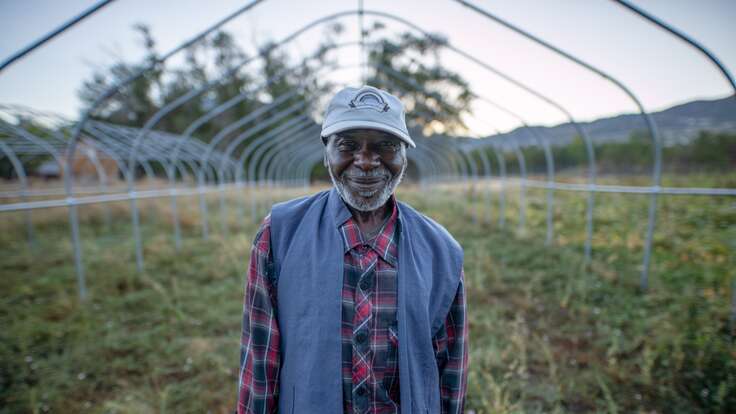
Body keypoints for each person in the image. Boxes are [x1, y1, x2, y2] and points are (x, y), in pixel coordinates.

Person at [237, 85, 468, 414]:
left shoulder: (441, 251)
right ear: (326, 150)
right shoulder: (279, 234)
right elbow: (260, 359)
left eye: (385, 146)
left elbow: (451, 370)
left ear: (404, 154)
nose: (366, 161)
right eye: (347, 145)